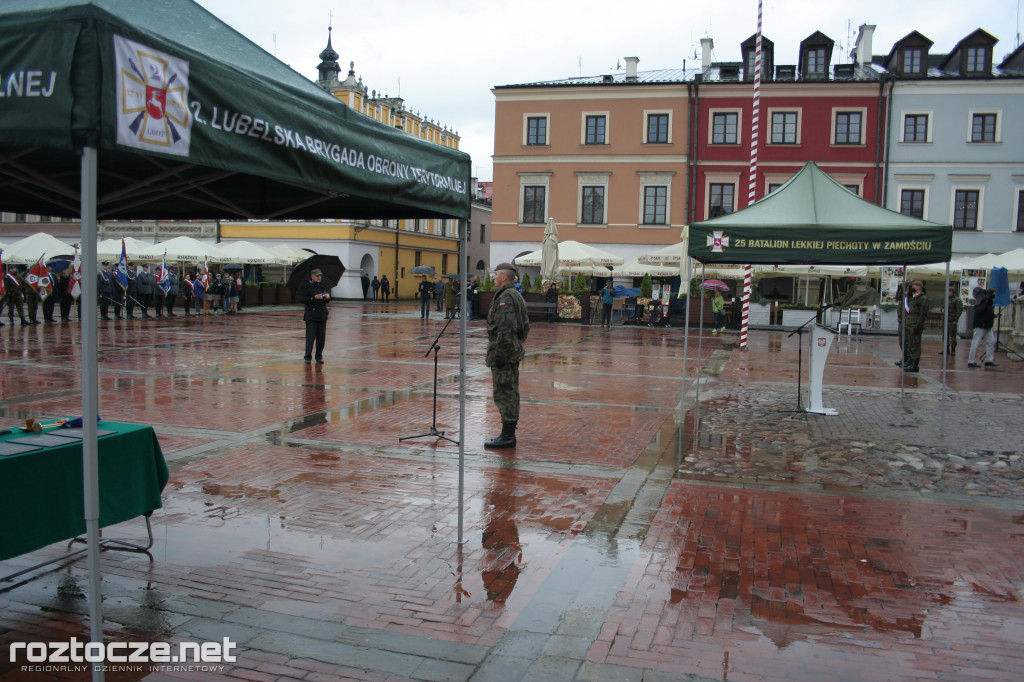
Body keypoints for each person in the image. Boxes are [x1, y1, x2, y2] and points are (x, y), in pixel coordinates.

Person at [484, 263, 530, 449]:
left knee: (505, 393)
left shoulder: (506, 297)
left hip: (504, 353)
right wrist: (517, 344)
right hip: (511, 350)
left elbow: (506, 328)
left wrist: (502, 353)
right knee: (509, 391)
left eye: (495, 275)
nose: (493, 277)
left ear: (504, 277)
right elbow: (525, 327)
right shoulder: (514, 295)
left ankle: (508, 436)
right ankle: (508, 433)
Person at [299, 268, 330, 364]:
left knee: (321, 338)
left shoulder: (322, 286)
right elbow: (302, 299)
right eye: (317, 276)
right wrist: (313, 298)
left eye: (320, 276)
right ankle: (308, 356)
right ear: (312, 276)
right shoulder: (306, 286)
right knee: (310, 337)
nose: (319, 277)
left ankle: (319, 356)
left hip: (321, 315)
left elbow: (325, 301)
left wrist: (327, 298)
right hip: (311, 316)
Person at [896, 280, 927, 372]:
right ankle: (909, 361)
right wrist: (901, 288)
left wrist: (919, 325)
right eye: (911, 286)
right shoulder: (912, 297)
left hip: (915, 324)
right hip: (908, 323)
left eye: (914, 286)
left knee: (914, 345)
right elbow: (900, 297)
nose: (912, 287)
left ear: (919, 287)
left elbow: (923, 314)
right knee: (908, 343)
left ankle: (914, 364)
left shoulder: (922, 299)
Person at [967, 288, 998, 368]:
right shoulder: (983, 300)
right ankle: (971, 361)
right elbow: (979, 310)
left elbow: (986, 312)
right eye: (994, 293)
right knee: (976, 343)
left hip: (987, 325)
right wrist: (986, 302)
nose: (995, 295)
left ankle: (989, 360)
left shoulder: (988, 301)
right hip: (981, 325)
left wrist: (993, 315)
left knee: (991, 341)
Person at [940, 285, 964, 356]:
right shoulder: (946, 299)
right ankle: (946, 349)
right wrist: (942, 310)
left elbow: (959, 310)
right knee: (945, 335)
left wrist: (955, 319)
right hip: (945, 319)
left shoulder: (957, 300)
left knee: (952, 335)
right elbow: (942, 306)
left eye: (950, 292)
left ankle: (953, 350)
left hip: (952, 320)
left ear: (953, 292)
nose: (949, 293)